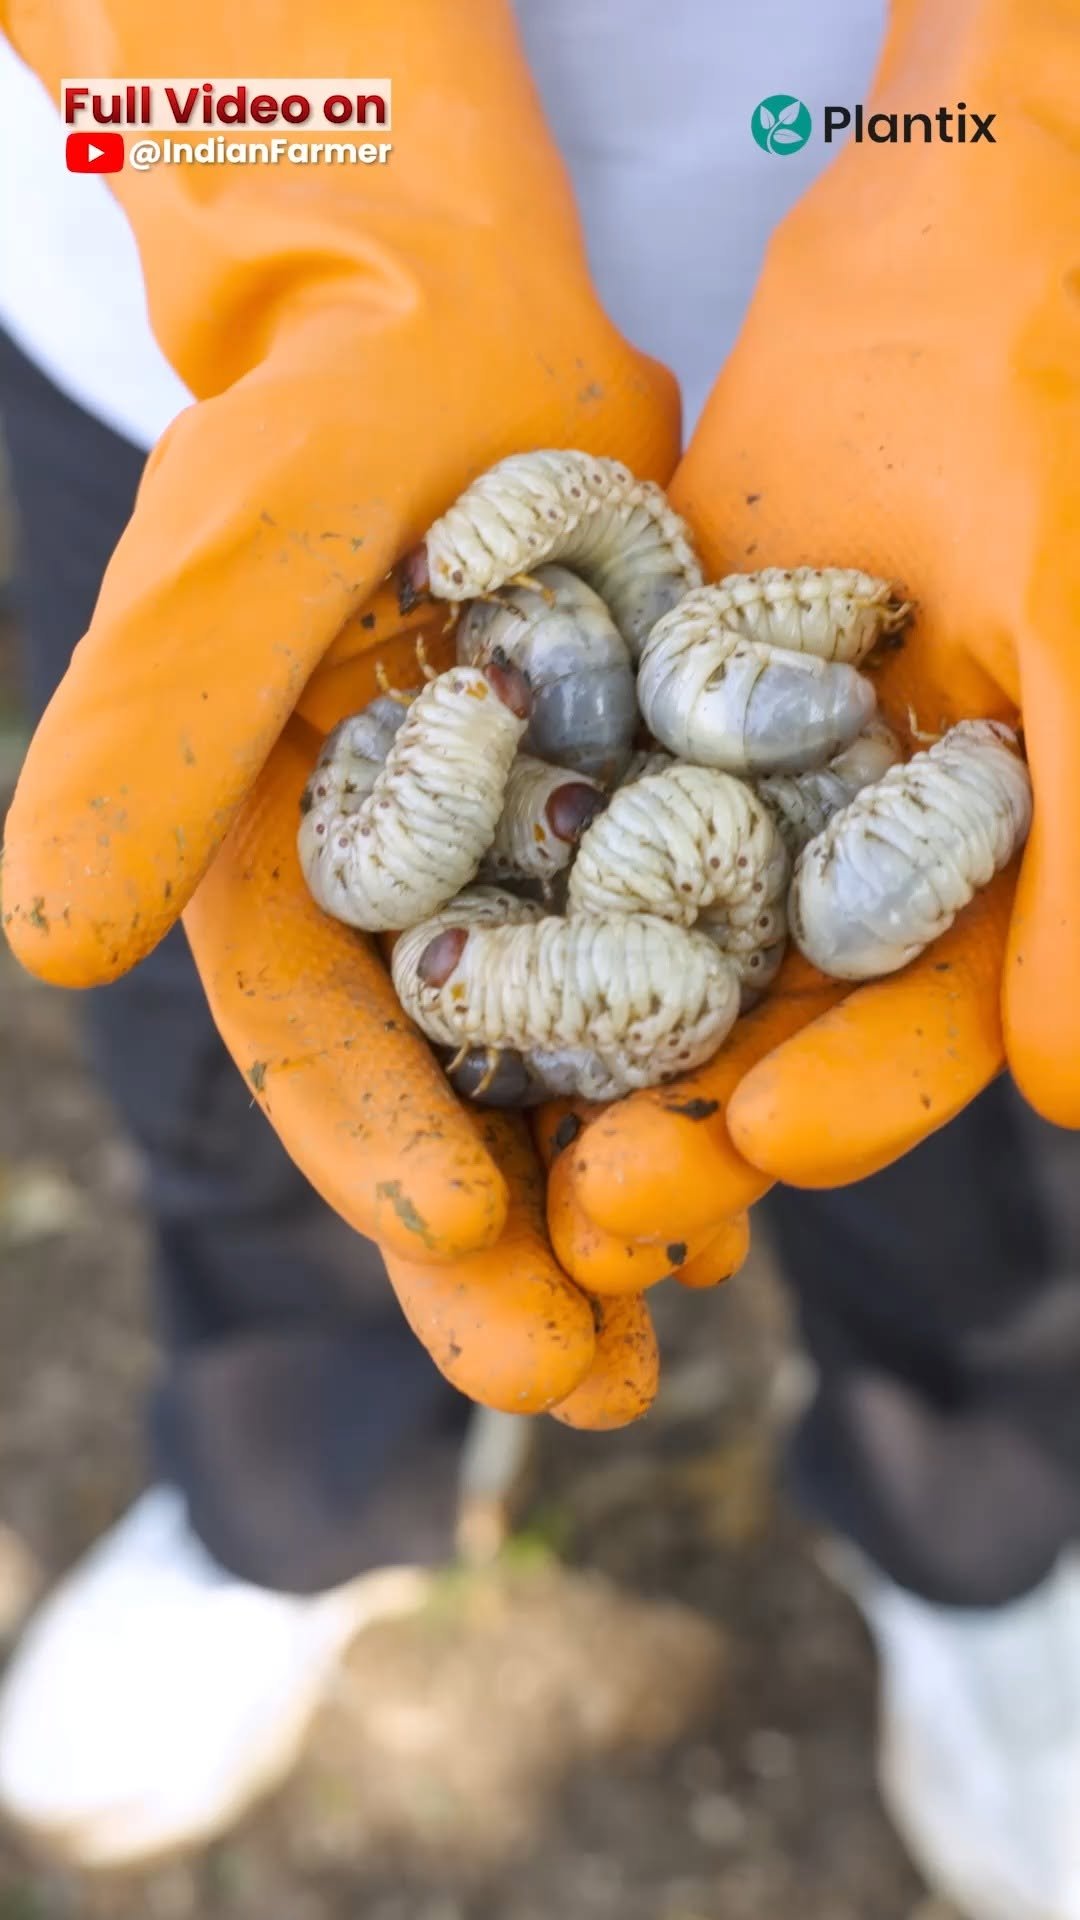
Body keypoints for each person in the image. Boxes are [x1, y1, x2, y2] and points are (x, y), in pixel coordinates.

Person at [1, 2, 1079, 1913]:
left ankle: (982, 1536)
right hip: (201, 298)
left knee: (949, 1139)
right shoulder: (576, 729)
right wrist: (316, 173)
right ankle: (296, 1501)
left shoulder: (625, 726)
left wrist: (1034, 150)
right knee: (258, 1086)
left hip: (948, 291)